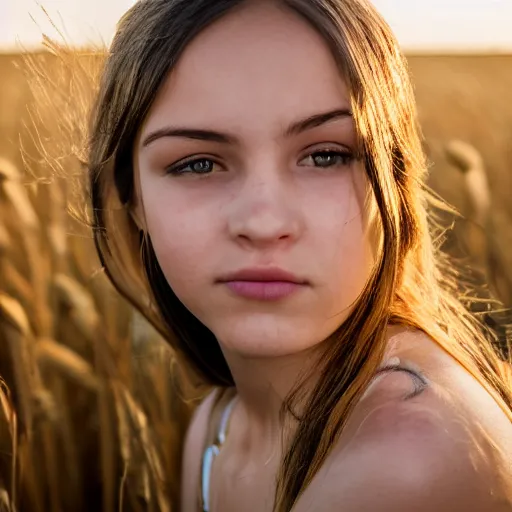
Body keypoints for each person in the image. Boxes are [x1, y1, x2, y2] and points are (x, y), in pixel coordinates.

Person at [87, 0, 512, 510]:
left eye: (326, 156)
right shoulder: (217, 423)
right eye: (198, 164)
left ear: (394, 182)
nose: (265, 223)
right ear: (132, 200)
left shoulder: (409, 460)